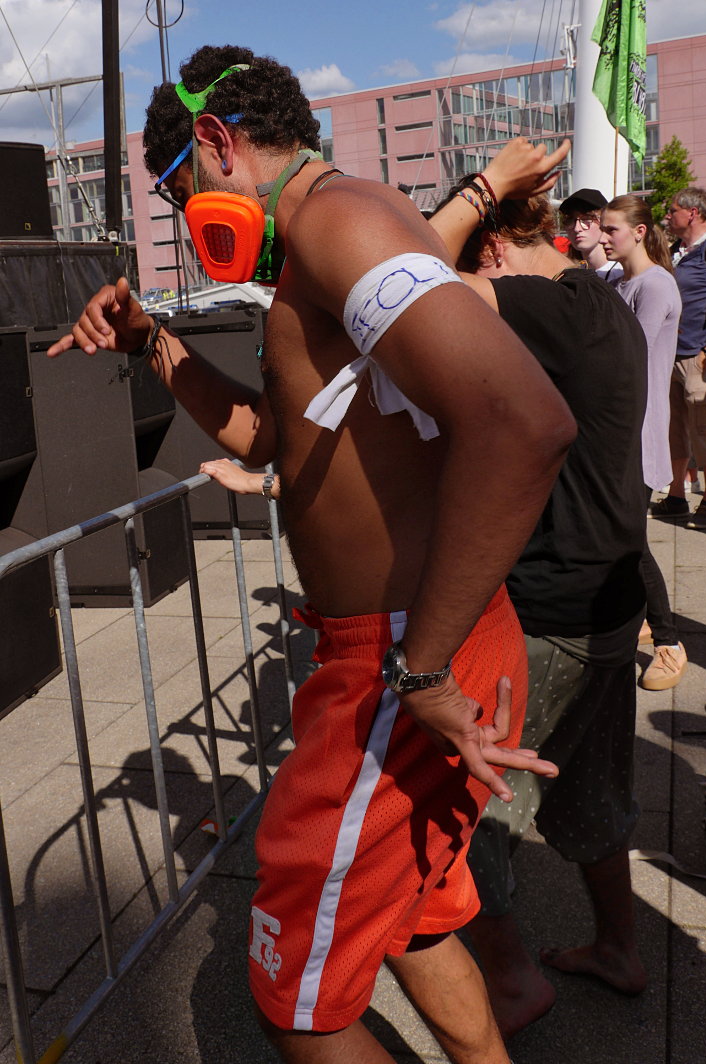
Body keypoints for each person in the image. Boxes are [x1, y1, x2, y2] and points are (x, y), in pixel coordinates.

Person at [46, 45, 577, 1064]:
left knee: (295, 1001)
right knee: (415, 921)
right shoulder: (325, 242)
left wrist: (418, 664)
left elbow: (521, 423)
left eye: (177, 193)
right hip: (404, 644)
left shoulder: (337, 220)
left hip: (400, 657)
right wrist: (153, 345)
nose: (182, 220)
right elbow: (278, 440)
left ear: (216, 142)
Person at [430, 174, 648, 1039]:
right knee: (588, 792)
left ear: (488, 248)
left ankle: (512, 980)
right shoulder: (596, 300)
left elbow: (408, 284)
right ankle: (622, 951)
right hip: (604, 597)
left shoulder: (542, 304)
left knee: (466, 799)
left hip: (553, 604)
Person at [598, 195, 687, 691]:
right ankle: (645, 620)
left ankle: (669, 643)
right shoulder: (619, 280)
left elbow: (623, 361)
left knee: (632, 540)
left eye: (611, 228)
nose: (603, 235)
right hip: (617, 429)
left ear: (638, 231)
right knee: (620, 536)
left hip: (638, 431)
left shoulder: (654, 285)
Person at [653, 187, 706, 529]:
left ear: (693, 213)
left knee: (705, 428)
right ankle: (676, 496)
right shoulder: (676, 252)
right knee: (674, 428)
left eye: (672, 210)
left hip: (700, 355)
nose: (667, 217)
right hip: (671, 356)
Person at [558, 187, 623, 281]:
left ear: (603, 222)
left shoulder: (621, 274)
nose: (577, 229)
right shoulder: (571, 278)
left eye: (586, 219)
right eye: (570, 220)